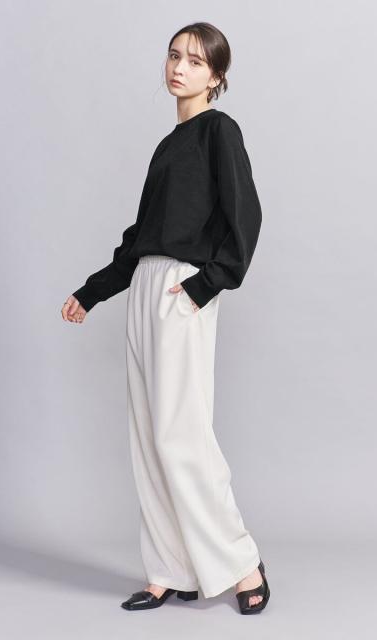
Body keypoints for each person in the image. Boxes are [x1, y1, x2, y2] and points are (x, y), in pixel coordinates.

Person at [61, 22, 269, 615]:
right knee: (150, 437)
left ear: (217, 76)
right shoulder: (166, 147)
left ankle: (242, 563)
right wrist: (93, 292)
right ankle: (169, 569)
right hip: (146, 286)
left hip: (183, 287)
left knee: (183, 435)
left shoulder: (219, 132)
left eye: (196, 62)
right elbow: (141, 237)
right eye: (175, 56)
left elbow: (246, 216)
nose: (180, 68)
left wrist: (205, 285)